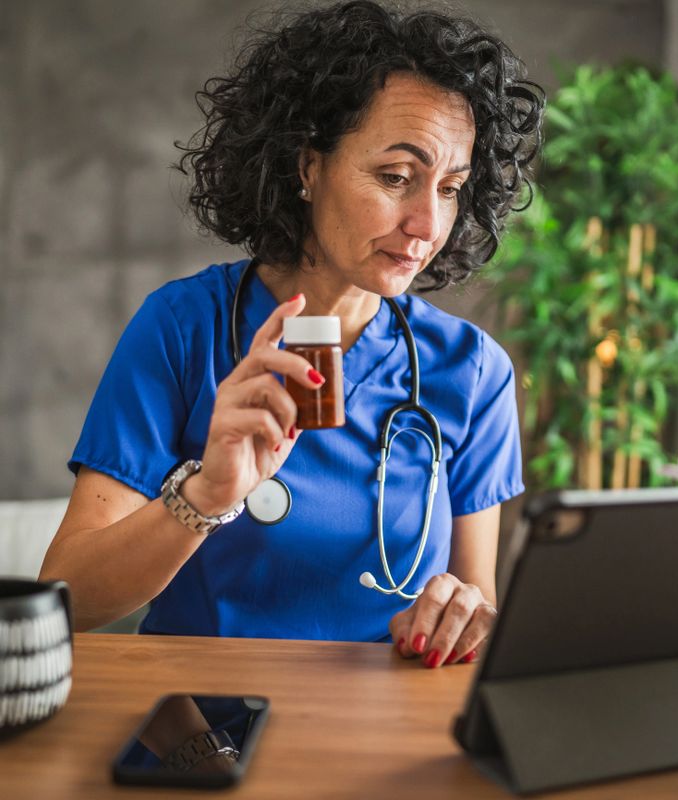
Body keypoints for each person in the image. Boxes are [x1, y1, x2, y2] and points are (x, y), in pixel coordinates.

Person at [39, 0, 543, 668]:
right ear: (308, 168)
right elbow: (66, 597)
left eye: (450, 188)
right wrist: (207, 496)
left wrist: (461, 616)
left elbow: (473, 614)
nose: (427, 222)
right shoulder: (185, 330)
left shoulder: (472, 371)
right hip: (198, 733)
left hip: (382, 737)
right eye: (396, 177)